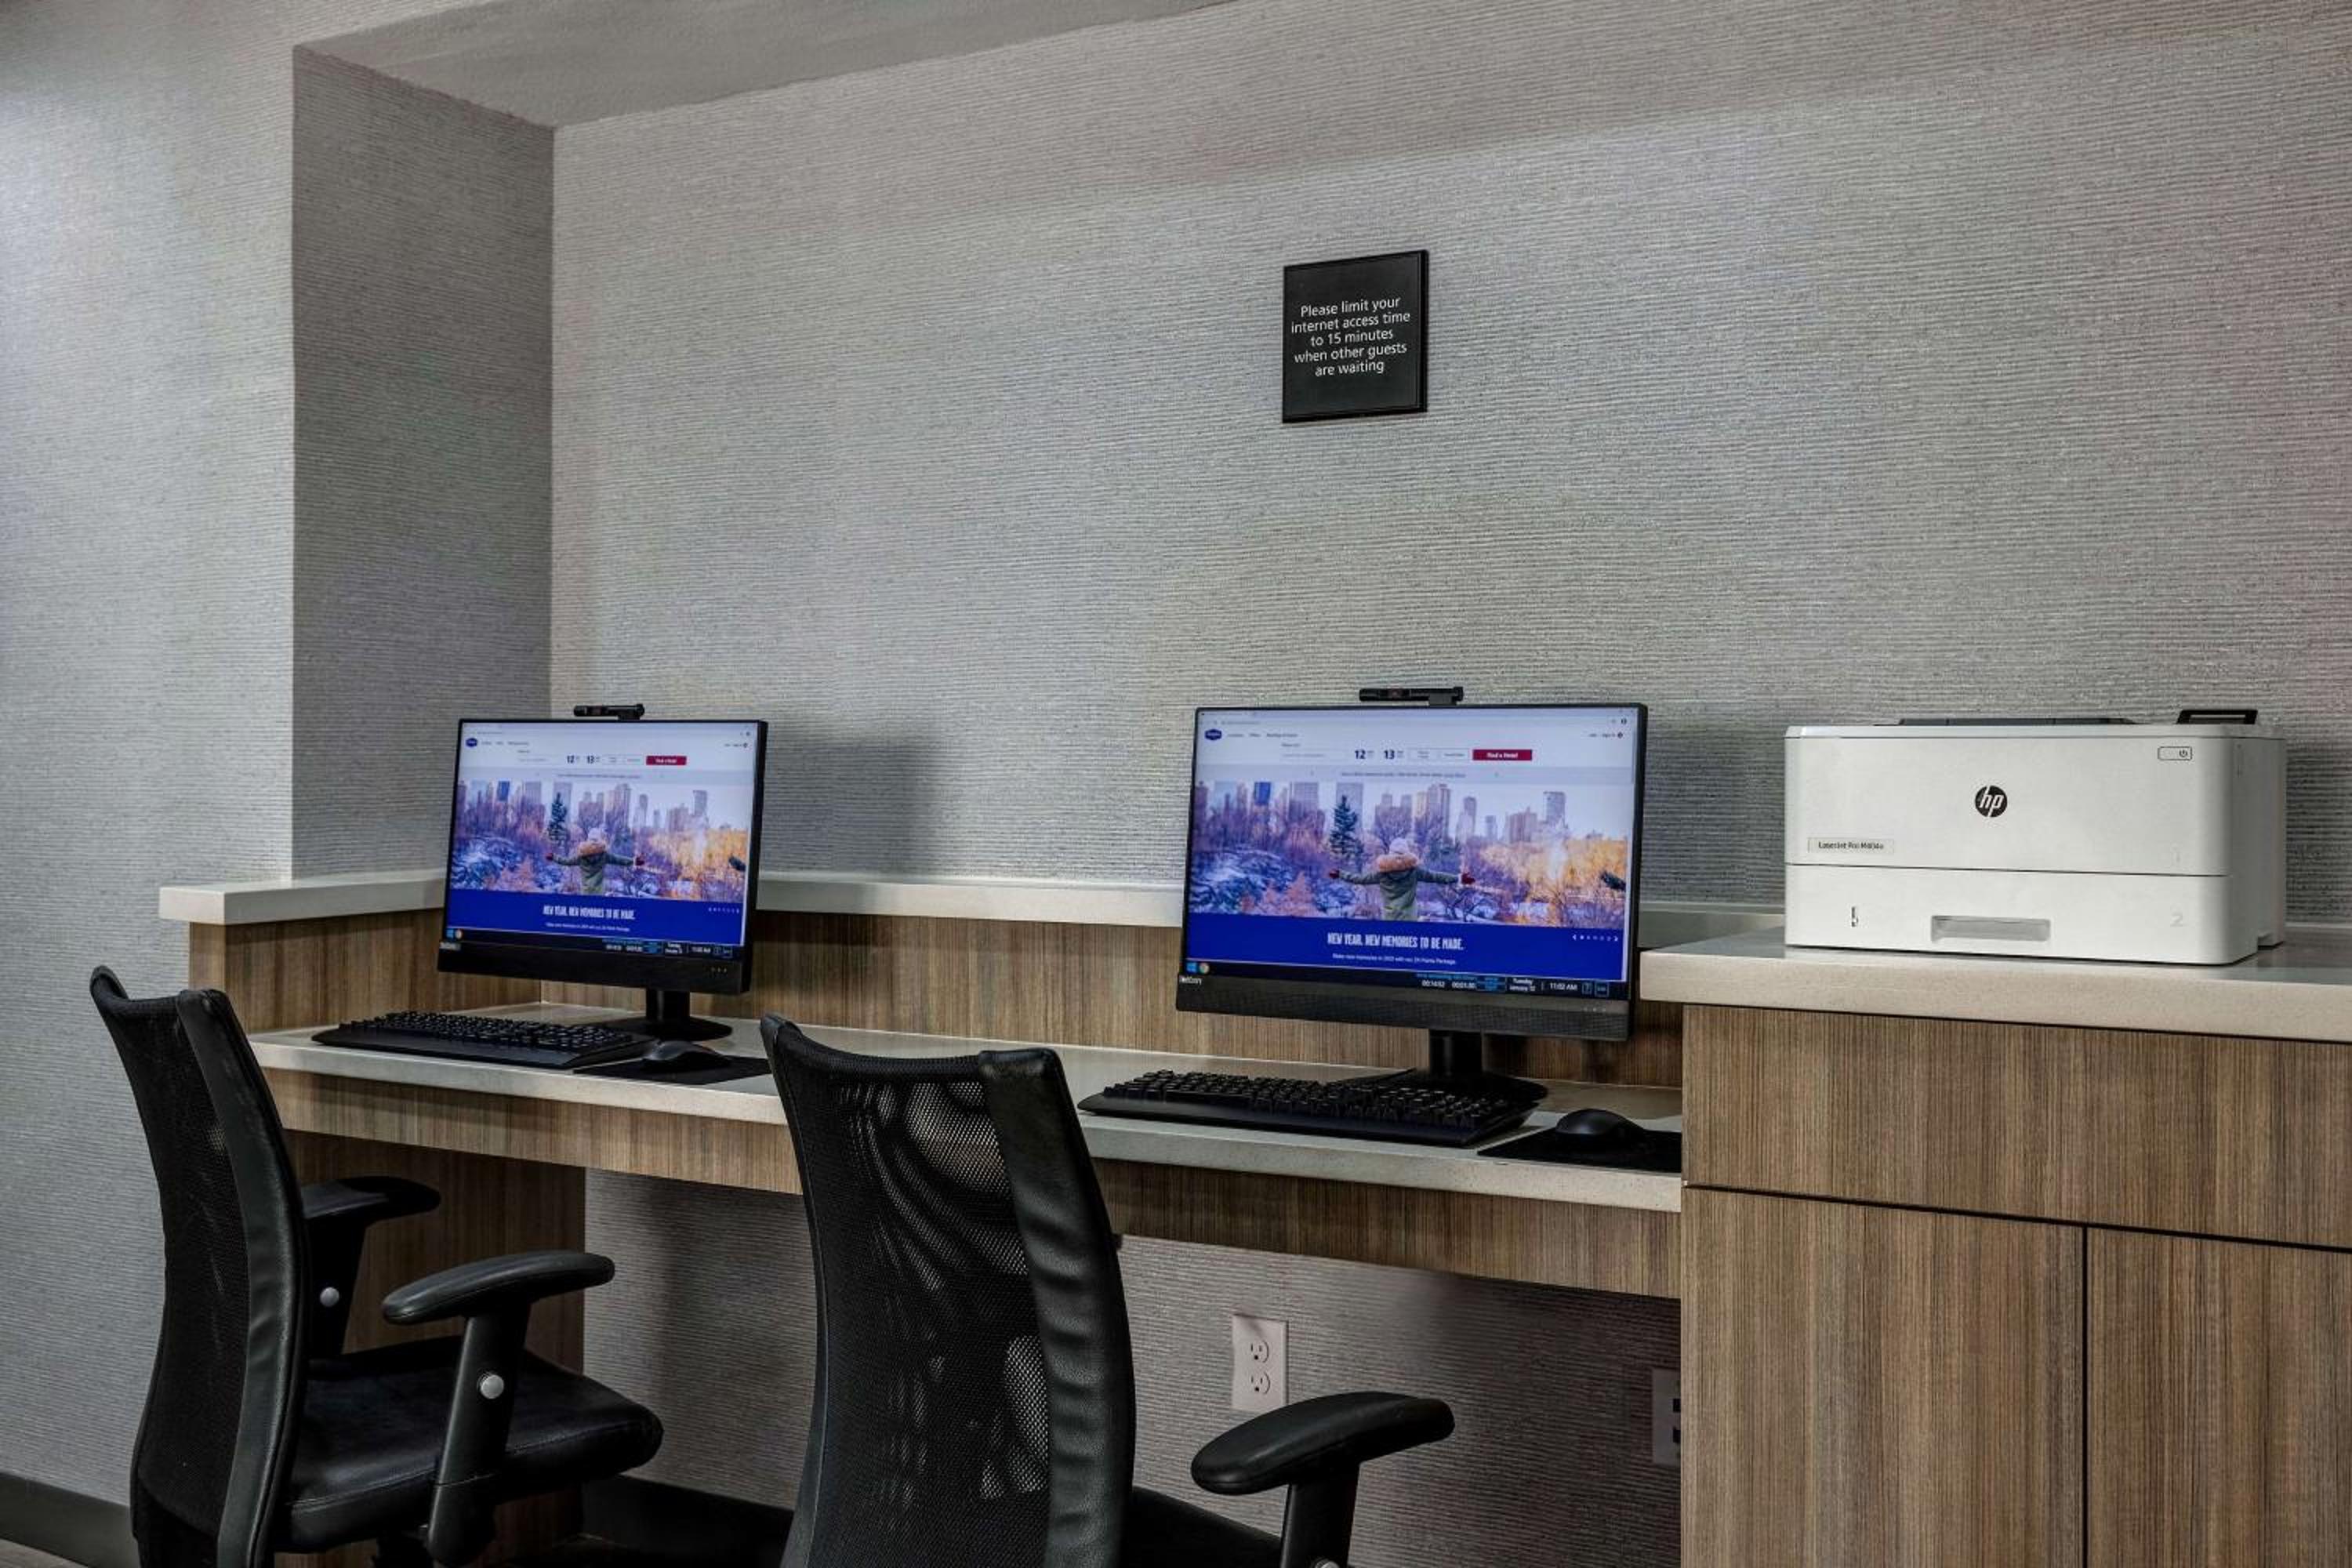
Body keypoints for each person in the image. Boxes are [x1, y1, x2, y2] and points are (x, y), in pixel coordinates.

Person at [1328, 837, 1472, 920]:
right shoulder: (1415, 872)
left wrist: (1340, 874)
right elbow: (1436, 877)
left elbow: (1359, 879)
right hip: (1409, 919)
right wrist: (1458, 878)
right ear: (1407, 853)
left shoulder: (1382, 874)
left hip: (1389, 919)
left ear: (1390, 854)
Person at [546, 837, 643, 896]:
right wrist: (634, 861)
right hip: (599, 892)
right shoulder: (604, 856)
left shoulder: (581, 858)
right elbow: (619, 860)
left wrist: (554, 857)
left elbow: (566, 862)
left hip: (586, 892)